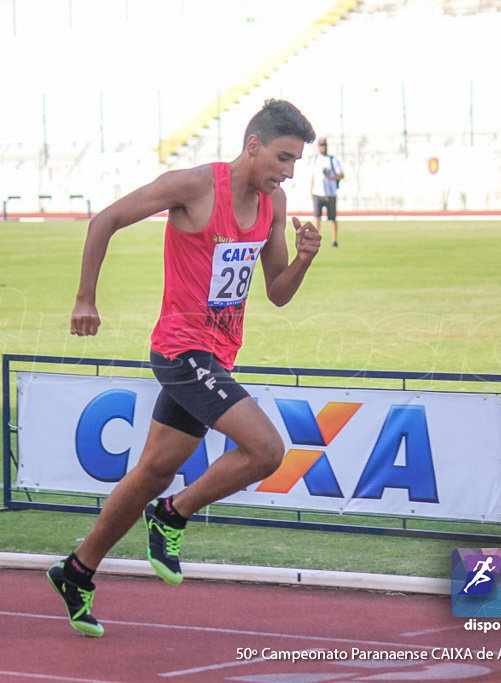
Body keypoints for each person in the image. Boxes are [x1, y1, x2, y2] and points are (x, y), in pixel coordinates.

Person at [47, 99, 320, 638]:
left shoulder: (275, 203)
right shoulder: (193, 187)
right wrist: (85, 299)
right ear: (253, 146)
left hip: (215, 357)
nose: (288, 173)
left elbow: (277, 293)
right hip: (180, 350)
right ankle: (172, 515)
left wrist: (306, 258)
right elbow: (105, 220)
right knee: (266, 451)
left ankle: (76, 571)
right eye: (283, 158)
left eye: (294, 164)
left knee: (152, 472)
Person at [308, 138, 344, 247]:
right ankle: (315, 239)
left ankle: (334, 240)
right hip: (318, 193)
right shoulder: (315, 160)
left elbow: (341, 175)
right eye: (321, 145)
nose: (323, 147)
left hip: (330, 193)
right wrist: (311, 191)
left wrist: (331, 177)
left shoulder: (333, 160)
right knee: (317, 217)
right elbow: (313, 176)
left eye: (324, 145)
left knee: (332, 218)